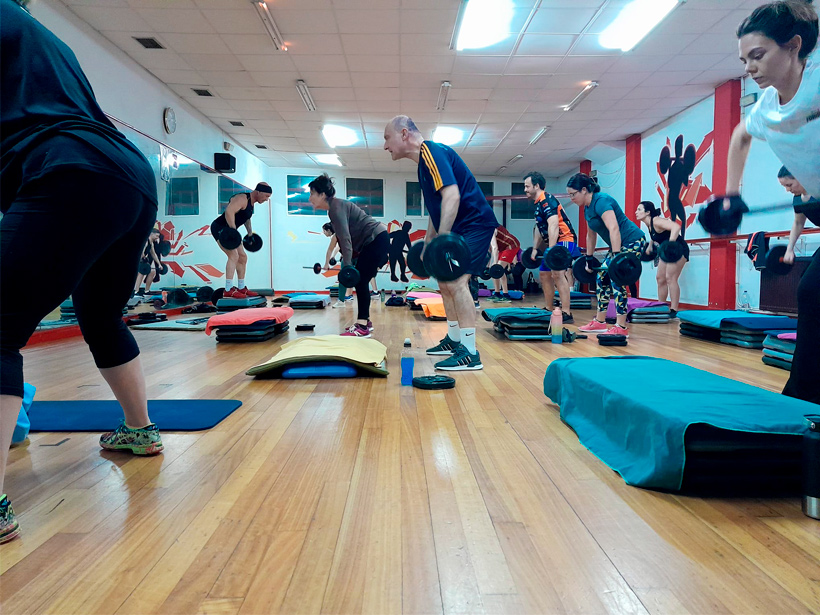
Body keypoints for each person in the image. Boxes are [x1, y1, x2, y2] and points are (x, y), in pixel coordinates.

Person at [0, 0, 164, 544]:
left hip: (72, 169)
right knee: (99, 313)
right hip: (129, 174)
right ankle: (139, 431)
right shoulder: (44, 38)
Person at [726, 0, 819, 404]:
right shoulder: (766, 107)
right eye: (745, 59)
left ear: (794, 46)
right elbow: (739, 137)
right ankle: (803, 399)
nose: (749, 67)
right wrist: (730, 196)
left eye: (758, 56)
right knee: (812, 293)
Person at [384, 115, 499, 371]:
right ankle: (454, 340)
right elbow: (438, 208)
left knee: (457, 281)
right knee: (445, 281)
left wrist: (443, 241)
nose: (385, 146)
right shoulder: (424, 163)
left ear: (404, 134)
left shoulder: (432, 152)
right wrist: (428, 242)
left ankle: (469, 354)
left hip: (475, 224)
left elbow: (452, 195)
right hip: (461, 227)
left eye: (387, 138)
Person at [308, 174, 389, 337]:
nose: (310, 199)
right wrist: (350, 261)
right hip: (375, 240)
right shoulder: (335, 207)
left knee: (361, 280)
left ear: (322, 194)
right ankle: (365, 322)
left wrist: (348, 265)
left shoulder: (336, 209)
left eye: (312, 194)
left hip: (376, 239)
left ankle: (363, 326)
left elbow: (345, 239)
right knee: (362, 280)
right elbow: (345, 238)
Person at [568, 173, 647, 337]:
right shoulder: (587, 208)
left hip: (633, 241)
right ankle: (600, 321)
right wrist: (589, 259)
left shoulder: (601, 201)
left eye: (573, 194)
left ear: (584, 190)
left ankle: (621, 326)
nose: (571, 198)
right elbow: (591, 235)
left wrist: (616, 258)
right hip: (618, 246)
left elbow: (614, 228)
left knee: (616, 279)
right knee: (601, 277)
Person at [525, 171, 579, 323]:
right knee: (544, 274)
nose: (525, 189)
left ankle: (567, 312)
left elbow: (553, 224)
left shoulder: (547, 200)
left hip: (565, 239)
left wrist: (552, 250)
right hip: (553, 243)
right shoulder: (538, 204)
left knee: (557, 274)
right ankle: (549, 308)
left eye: (527, 186)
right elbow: (539, 228)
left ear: (536, 186)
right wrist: (536, 248)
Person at [210, 183, 271, 299]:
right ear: (258, 192)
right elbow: (229, 212)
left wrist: (250, 234)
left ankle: (241, 287)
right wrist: (233, 231)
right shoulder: (242, 198)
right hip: (220, 228)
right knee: (233, 255)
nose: (267, 199)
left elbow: (246, 218)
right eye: (266, 196)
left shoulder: (251, 204)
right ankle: (228, 289)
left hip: (230, 230)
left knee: (242, 257)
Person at [635, 200, 689, 317]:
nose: (636, 212)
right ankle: (661, 307)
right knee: (660, 278)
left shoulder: (656, 220)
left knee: (670, 278)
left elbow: (676, 227)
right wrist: (649, 247)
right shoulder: (649, 224)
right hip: (667, 251)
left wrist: (670, 245)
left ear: (648, 212)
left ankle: (674, 310)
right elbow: (656, 237)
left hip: (678, 249)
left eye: (639, 210)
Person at [778, 166, 818, 264]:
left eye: (789, 185)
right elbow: (798, 223)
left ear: (800, 178)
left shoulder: (817, 192)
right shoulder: (798, 200)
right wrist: (789, 249)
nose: (787, 190)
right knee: (808, 278)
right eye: (785, 186)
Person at [323, 222, 354, 307]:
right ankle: (341, 301)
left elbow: (334, 249)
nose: (323, 232)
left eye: (324, 231)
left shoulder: (345, 233)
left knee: (361, 279)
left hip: (355, 257)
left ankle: (342, 300)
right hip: (348, 257)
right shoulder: (337, 235)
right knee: (343, 278)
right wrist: (326, 264)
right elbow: (331, 249)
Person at [488, 225, 521, 303]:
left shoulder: (490, 229)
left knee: (498, 269)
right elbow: (489, 250)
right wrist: (488, 265)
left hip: (511, 245)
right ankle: (497, 293)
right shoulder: (484, 233)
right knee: (494, 270)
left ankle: (506, 295)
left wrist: (495, 264)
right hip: (502, 248)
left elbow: (495, 248)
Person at [133, 229, 163, 297]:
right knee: (141, 272)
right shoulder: (146, 241)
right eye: (156, 236)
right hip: (137, 259)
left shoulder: (151, 243)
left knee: (152, 272)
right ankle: (136, 292)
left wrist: (159, 264)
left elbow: (153, 254)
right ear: (151, 234)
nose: (157, 238)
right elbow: (141, 252)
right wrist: (143, 257)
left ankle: (146, 291)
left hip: (141, 259)